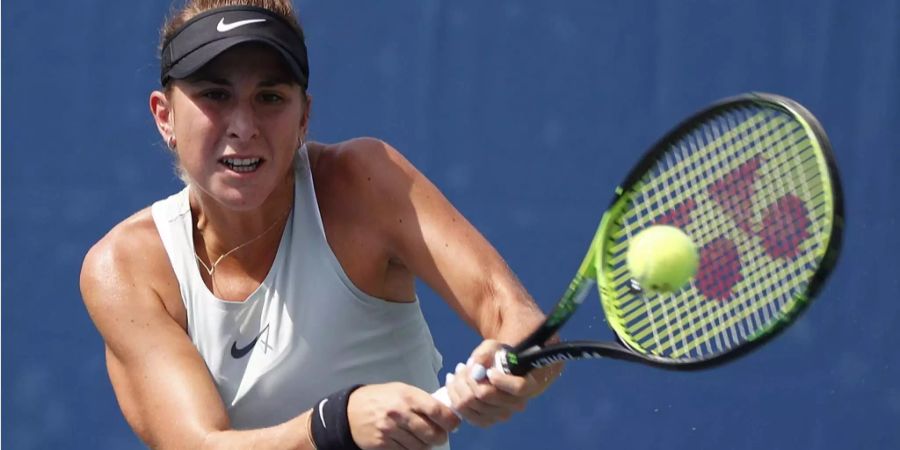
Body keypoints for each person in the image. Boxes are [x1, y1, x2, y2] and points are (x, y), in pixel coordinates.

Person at [80, 1, 560, 448]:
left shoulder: (366, 185)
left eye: (269, 96)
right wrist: (337, 423)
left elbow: (517, 319)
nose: (243, 126)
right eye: (215, 95)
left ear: (304, 117)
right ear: (164, 116)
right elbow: (200, 443)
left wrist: (514, 365)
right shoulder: (126, 268)